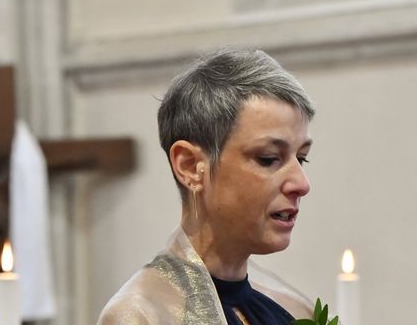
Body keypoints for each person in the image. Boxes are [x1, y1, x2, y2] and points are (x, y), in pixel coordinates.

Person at [98, 49, 316, 324]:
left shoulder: (295, 311)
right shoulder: (142, 316)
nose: (301, 184)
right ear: (190, 166)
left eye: (301, 158)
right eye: (268, 158)